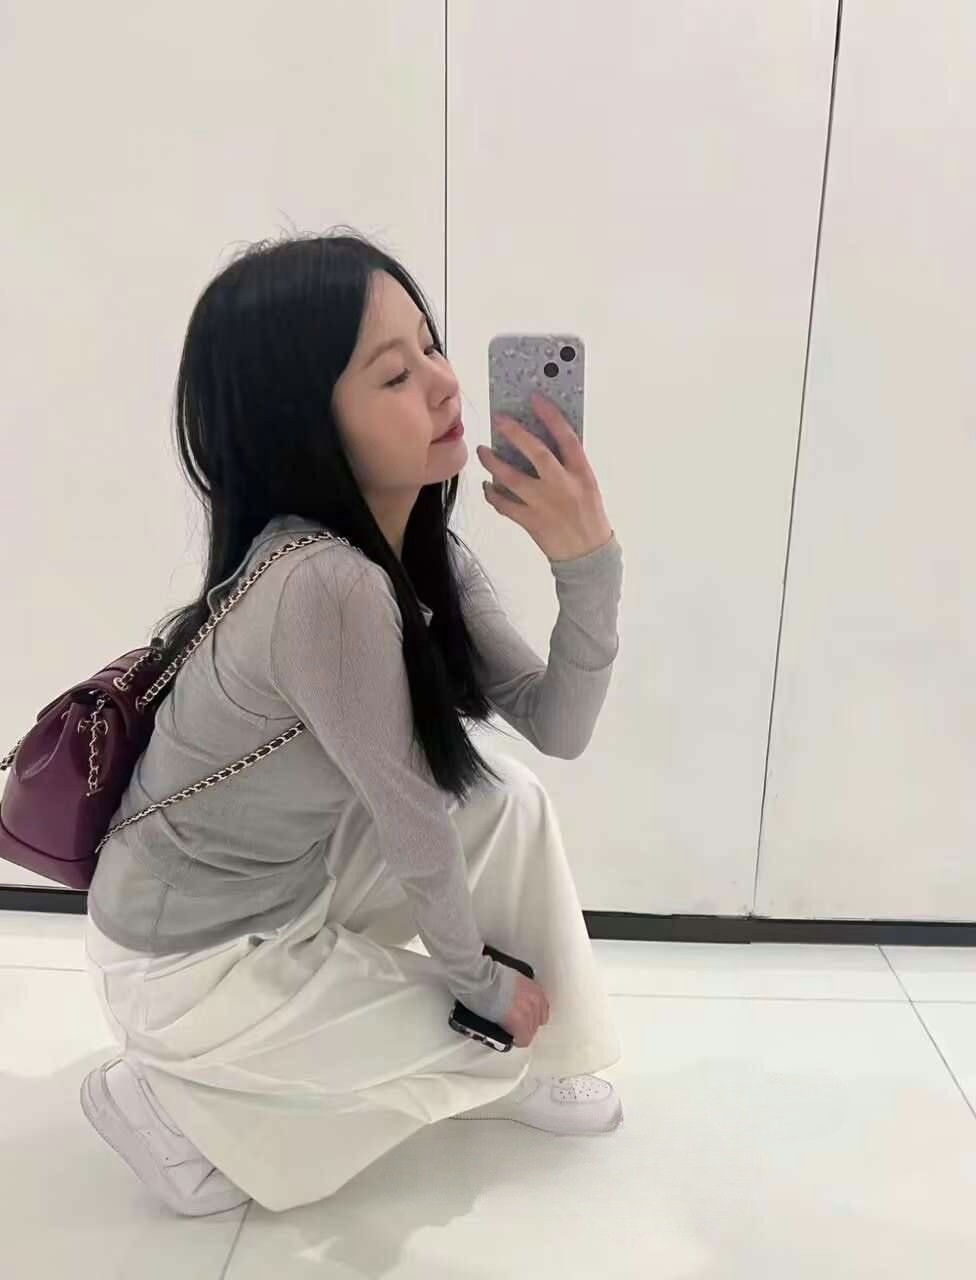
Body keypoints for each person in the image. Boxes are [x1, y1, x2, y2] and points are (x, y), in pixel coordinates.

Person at [81, 230, 625, 1217]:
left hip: (293, 881)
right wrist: (481, 989)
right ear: (305, 422)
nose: (444, 383)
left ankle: (547, 1062)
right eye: (393, 374)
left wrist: (586, 565)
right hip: (190, 962)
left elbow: (558, 725)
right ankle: (169, 1105)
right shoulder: (324, 586)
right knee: (484, 1050)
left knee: (506, 799)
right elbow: (408, 813)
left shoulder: (419, 550)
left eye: (430, 345)